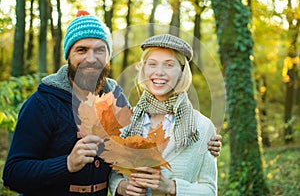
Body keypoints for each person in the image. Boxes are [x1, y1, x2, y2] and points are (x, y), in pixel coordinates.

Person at [2, 11, 221, 196]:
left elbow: (122, 158)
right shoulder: (44, 103)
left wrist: (206, 141)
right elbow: (12, 174)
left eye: (100, 50)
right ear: (68, 55)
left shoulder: (117, 99)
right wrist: (67, 163)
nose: (91, 58)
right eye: (81, 50)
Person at [109, 34, 218, 196]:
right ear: (144, 69)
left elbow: (209, 190)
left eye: (169, 65)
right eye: (152, 64)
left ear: (182, 72)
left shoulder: (201, 126)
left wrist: (172, 187)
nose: (159, 72)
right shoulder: (126, 121)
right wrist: (119, 185)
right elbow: (113, 172)